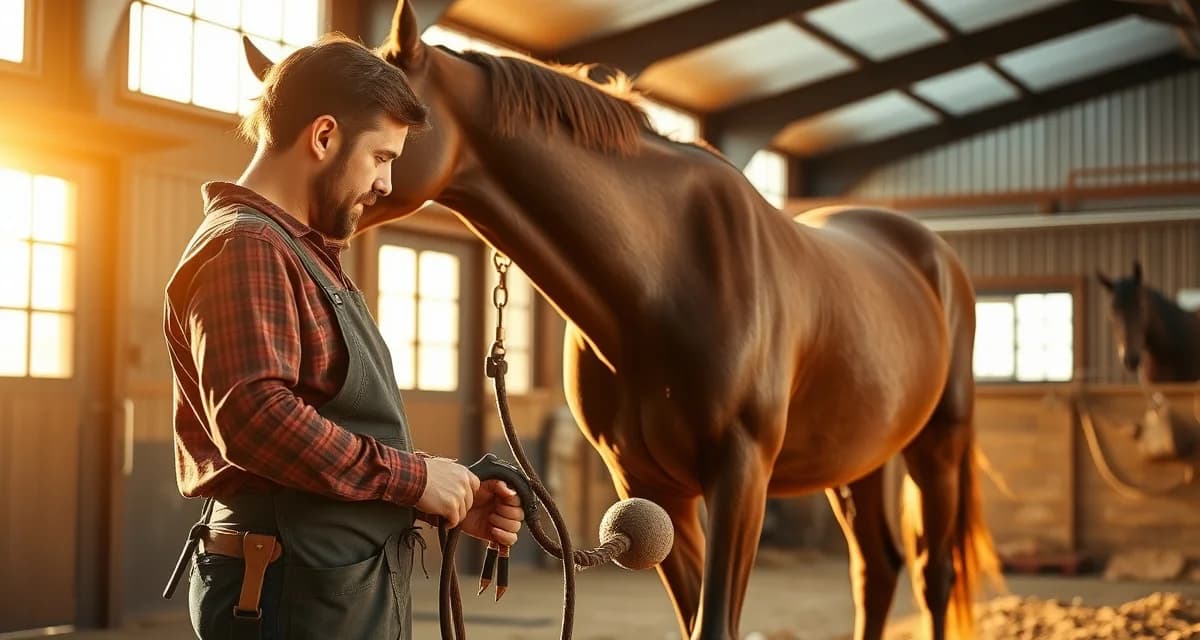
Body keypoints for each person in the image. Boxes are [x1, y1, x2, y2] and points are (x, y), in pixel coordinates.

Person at [162, 34, 523, 640]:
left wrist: (440, 491)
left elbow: (330, 431)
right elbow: (255, 418)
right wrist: (413, 478)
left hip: (330, 587)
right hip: (286, 595)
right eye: (381, 157)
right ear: (323, 136)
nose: (386, 184)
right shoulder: (246, 247)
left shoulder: (300, 253)